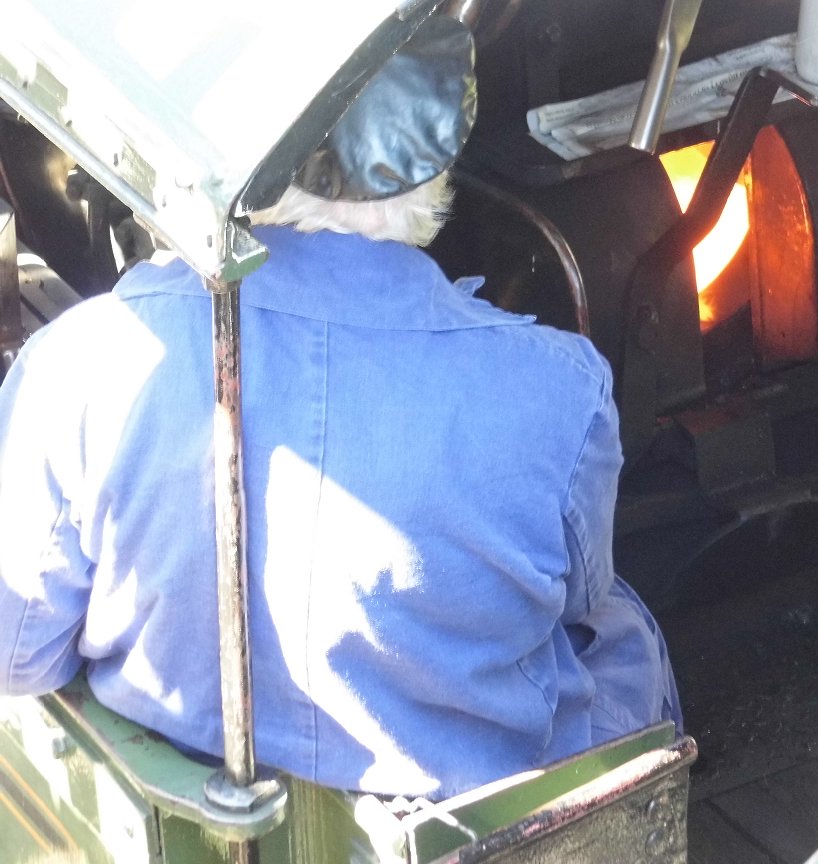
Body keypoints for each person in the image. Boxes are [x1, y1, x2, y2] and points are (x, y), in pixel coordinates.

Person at [0, 17, 680, 800]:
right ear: (441, 153)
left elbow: (20, 653)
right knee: (622, 631)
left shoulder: (84, 361)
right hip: (470, 822)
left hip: (194, 814)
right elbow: (578, 603)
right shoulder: (562, 392)